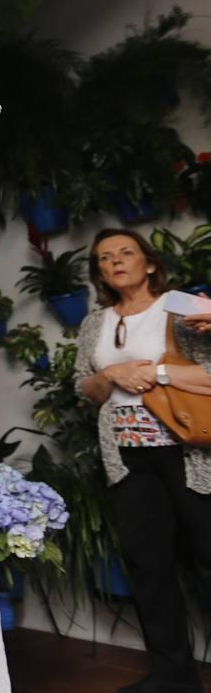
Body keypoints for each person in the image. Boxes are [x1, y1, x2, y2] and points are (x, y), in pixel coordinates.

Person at [76, 227, 211, 693]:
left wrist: (152, 373)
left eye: (126, 252)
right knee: (148, 565)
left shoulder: (180, 305)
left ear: (149, 262)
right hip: (127, 457)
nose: (115, 261)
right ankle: (173, 676)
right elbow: (87, 389)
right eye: (104, 257)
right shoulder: (94, 323)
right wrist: (111, 372)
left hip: (186, 452)